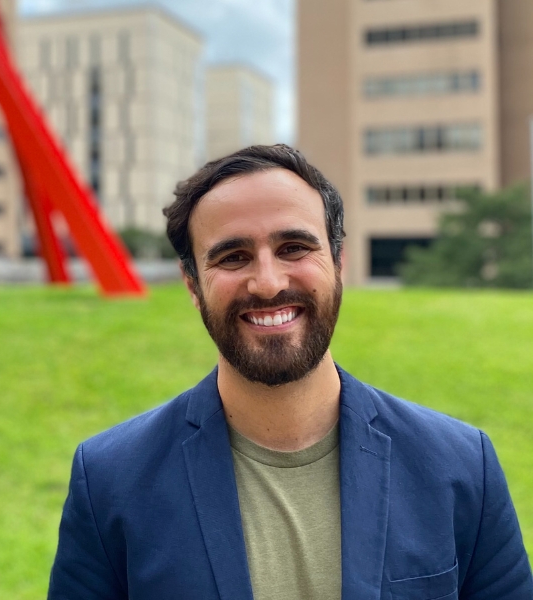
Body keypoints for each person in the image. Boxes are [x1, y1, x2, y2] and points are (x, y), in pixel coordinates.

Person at [47, 144, 533, 599]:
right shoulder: (110, 480)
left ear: (338, 262)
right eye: (233, 257)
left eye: (294, 248)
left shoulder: (462, 466)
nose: (268, 282)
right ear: (193, 285)